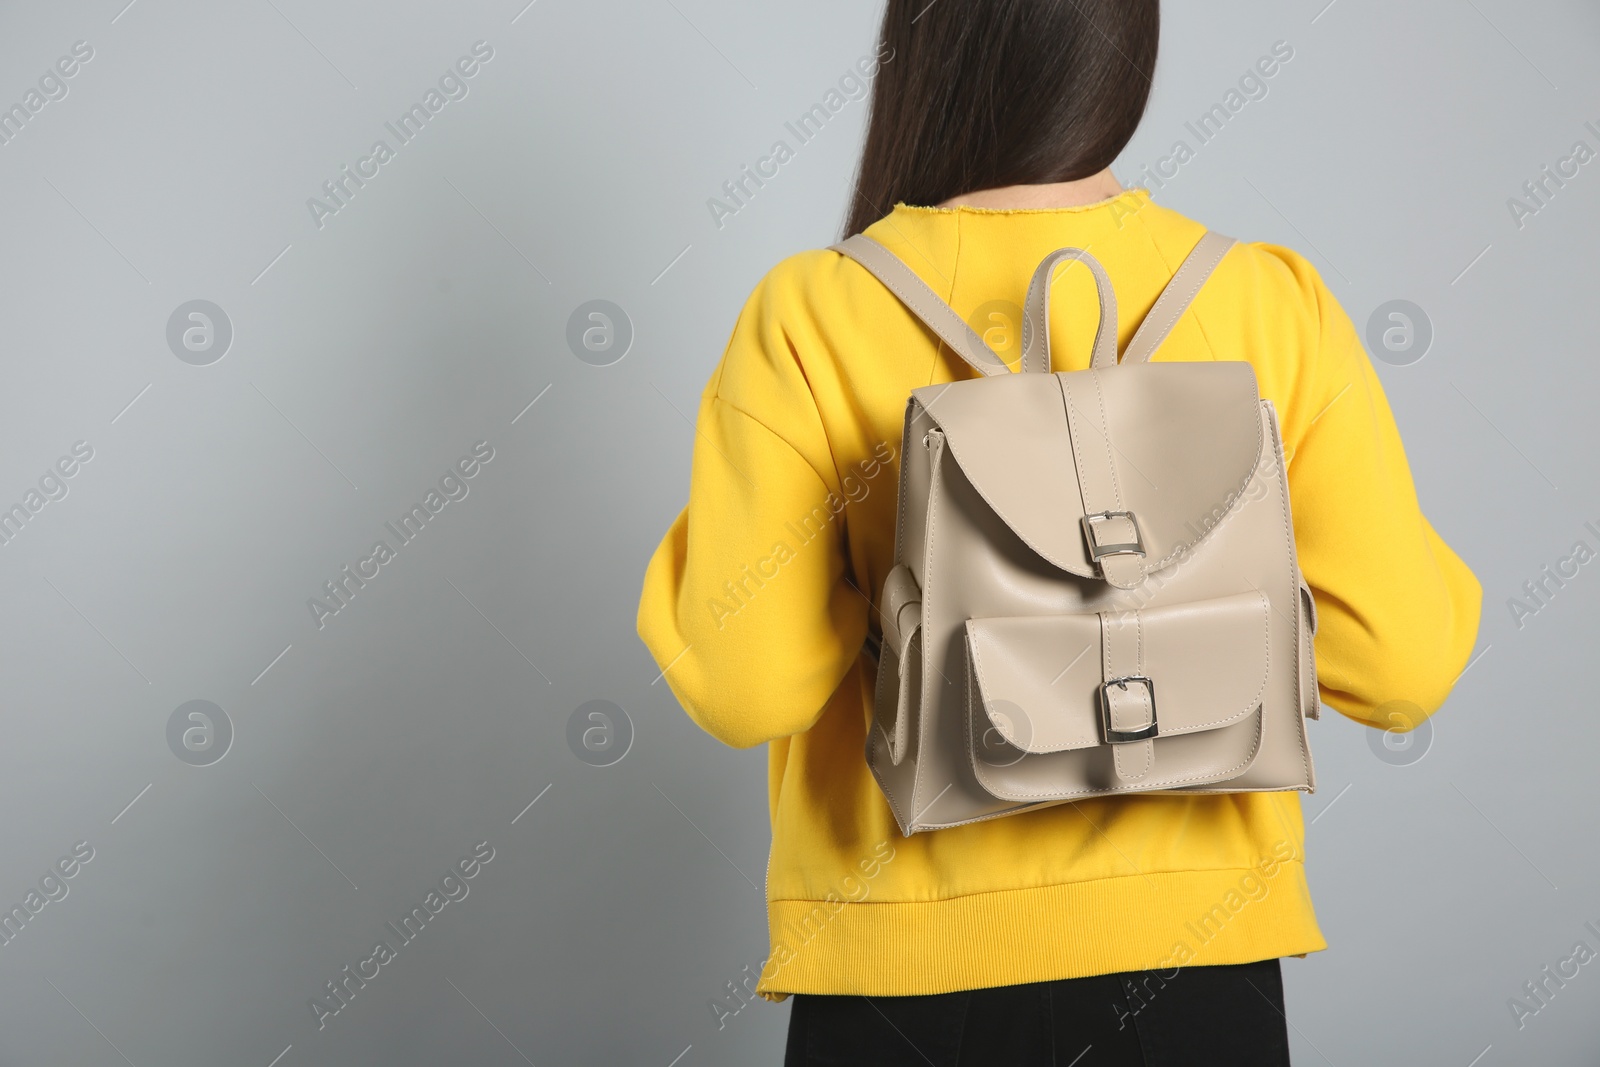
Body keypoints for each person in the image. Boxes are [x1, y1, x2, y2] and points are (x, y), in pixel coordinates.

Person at [636, 1, 1483, 1063]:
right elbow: (1398, 663)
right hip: (1195, 965)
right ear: (1126, 55)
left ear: (925, 50)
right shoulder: (1270, 303)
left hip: (901, 978)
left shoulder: (812, 312)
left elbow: (744, 682)